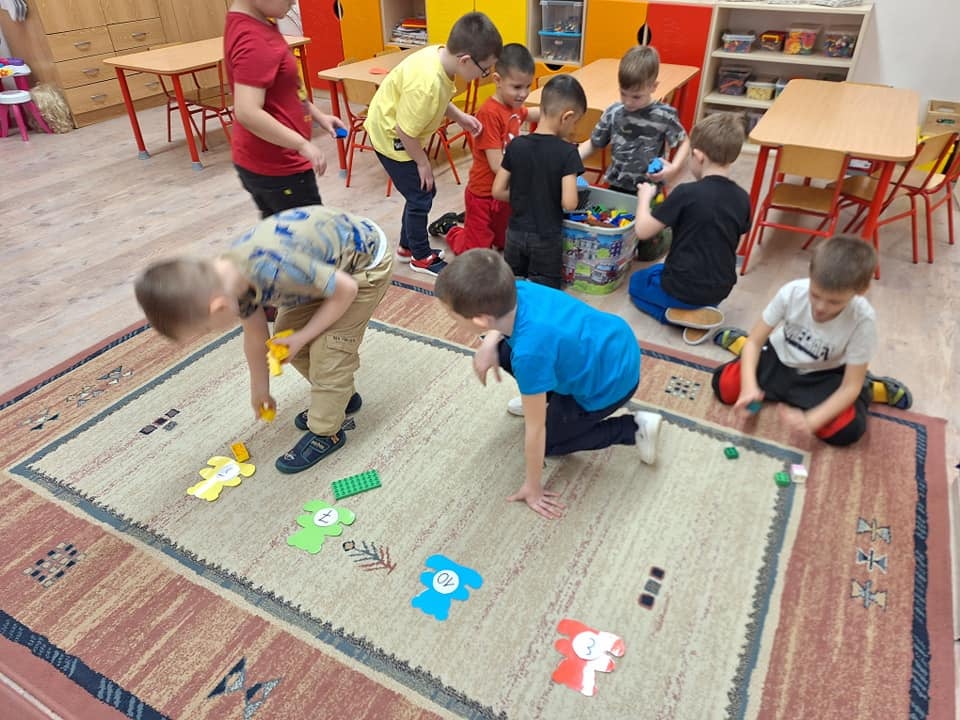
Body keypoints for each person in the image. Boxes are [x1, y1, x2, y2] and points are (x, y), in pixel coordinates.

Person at [133, 206, 394, 472]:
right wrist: (260, 388)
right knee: (286, 338)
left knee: (330, 352)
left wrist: (304, 336)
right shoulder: (228, 280)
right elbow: (256, 336)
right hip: (322, 270)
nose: (210, 332)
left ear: (219, 308)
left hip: (363, 268)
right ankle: (341, 398)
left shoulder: (276, 269)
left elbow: (346, 290)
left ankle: (327, 432)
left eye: (206, 330)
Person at [434, 249, 662, 520]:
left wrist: (533, 487)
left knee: (550, 444)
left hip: (608, 384)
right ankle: (542, 395)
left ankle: (634, 428)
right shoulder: (517, 289)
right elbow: (506, 327)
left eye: (452, 315)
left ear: (480, 319)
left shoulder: (530, 353)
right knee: (503, 350)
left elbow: (535, 431)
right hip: (612, 343)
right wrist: (489, 344)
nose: (451, 318)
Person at [711, 235, 912, 447]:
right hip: (778, 359)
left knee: (846, 431)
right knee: (724, 387)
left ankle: (870, 387)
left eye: (834, 302)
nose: (821, 308)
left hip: (823, 375)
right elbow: (755, 342)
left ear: (860, 291)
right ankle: (740, 344)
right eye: (815, 295)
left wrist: (812, 420)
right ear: (810, 275)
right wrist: (749, 387)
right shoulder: (792, 292)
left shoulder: (863, 320)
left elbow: (850, 386)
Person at [364, 12, 503, 277]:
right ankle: (420, 256)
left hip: (396, 128)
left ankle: (407, 247)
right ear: (465, 60)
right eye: (485, 69)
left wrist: (460, 117)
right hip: (391, 136)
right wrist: (422, 162)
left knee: (421, 192)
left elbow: (440, 99)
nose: (485, 75)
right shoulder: (427, 84)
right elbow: (405, 131)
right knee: (421, 195)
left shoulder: (440, 58)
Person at [627, 112, 752, 344]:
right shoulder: (742, 198)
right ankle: (702, 312)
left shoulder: (686, 193)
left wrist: (644, 197)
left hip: (681, 287)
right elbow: (736, 238)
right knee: (657, 271)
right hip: (720, 289)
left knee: (637, 282)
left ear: (698, 156)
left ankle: (678, 317)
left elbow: (643, 231)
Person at [225, 0, 346, 217]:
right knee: (305, 231)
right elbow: (247, 112)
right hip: (278, 167)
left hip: (266, 161)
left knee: (280, 226)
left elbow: (286, 90)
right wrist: (301, 144)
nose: (294, 1)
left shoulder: (257, 22)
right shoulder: (253, 39)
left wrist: (318, 116)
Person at [578, 45, 689, 261]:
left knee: (647, 252)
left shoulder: (663, 115)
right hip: (617, 184)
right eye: (623, 94)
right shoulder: (614, 112)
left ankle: (666, 231)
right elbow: (594, 143)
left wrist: (674, 168)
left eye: (636, 96)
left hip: (649, 188)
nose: (628, 102)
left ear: (653, 87)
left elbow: (684, 141)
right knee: (613, 239)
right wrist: (570, 160)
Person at [428, 43, 540, 255]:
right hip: (483, 194)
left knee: (505, 242)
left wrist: (553, 113)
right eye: (517, 87)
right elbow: (497, 165)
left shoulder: (513, 106)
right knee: (476, 252)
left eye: (527, 86)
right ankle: (451, 228)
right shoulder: (489, 113)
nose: (523, 94)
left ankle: (472, 227)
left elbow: (529, 114)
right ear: (497, 80)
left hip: (503, 192)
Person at [491, 75, 586, 288]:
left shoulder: (516, 145)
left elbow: (497, 191)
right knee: (545, 289)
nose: (573, 129)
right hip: (546, 237)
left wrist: (524, 195)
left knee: (512, 285)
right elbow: (569, 203)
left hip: (514, 233)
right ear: (567, 117)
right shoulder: (568, 153)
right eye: (575, 123)